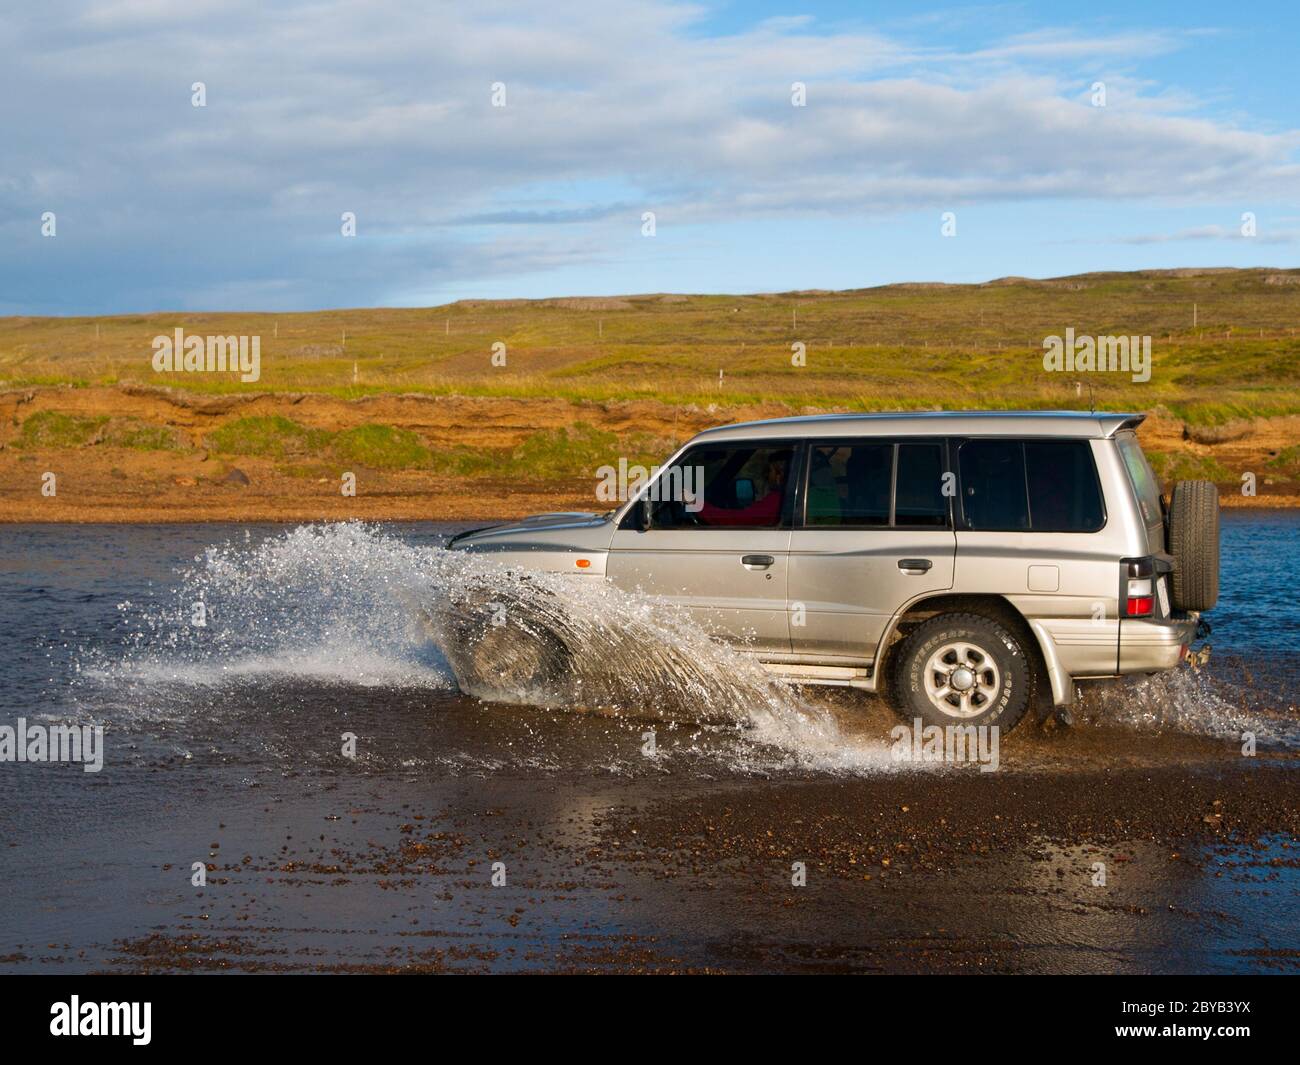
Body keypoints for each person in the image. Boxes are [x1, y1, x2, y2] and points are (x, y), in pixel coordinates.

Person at [698, 451, 790, 527]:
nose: (766, 475)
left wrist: (696, 504)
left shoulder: (779, 500)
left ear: (780, 474)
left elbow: (736, 519)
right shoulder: (786, 499)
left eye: (770, 471)